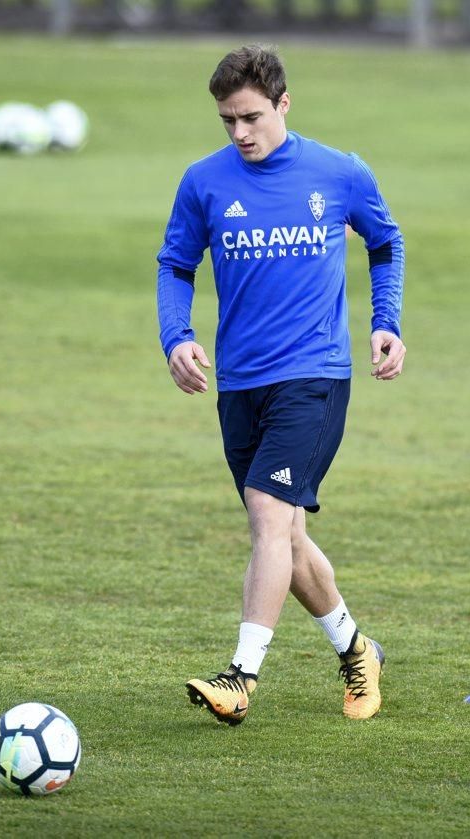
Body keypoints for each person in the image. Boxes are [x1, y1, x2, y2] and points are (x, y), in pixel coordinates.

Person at [156, 44, 405, 725]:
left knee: (268, 513)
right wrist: (175, 336)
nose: (240, 133)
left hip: (316, 376)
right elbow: (175, 264)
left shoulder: (339, 171)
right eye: (227, 120)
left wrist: (387, 322)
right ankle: (357, 648)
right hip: (239, 384)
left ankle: (240, 678)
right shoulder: (204, 182)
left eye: (251, 117)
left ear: (284, 104)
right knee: (285, 538)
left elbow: (385, 242)